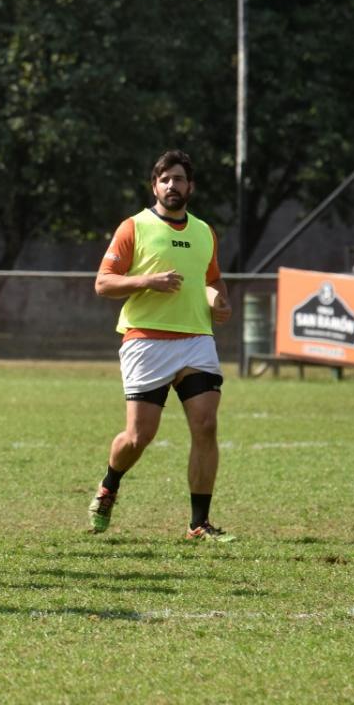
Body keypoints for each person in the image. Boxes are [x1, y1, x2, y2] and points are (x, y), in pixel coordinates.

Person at [88, 149, 235, 541]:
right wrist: (145, 281)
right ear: (155, 186)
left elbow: (212, 279)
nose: (173, 185)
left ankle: (198, 523)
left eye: (179, 179)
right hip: (146, 341)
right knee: (139, 437)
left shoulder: (204, 231)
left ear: (191, 187)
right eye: (165, 179)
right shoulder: (133, 227)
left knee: (206, 425)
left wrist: (219, 299)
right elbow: (103, 283)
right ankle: (109, 484)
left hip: (196, 340)